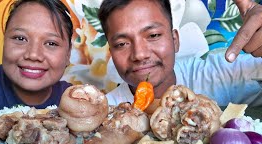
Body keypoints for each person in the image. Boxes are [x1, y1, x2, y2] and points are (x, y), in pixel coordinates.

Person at [98, 0, 262, 107]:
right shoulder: (106, 111)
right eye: (121, 44)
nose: (139, 54)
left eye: (153, 35)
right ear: (111, 51)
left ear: (175, 40)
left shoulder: (214, 75)